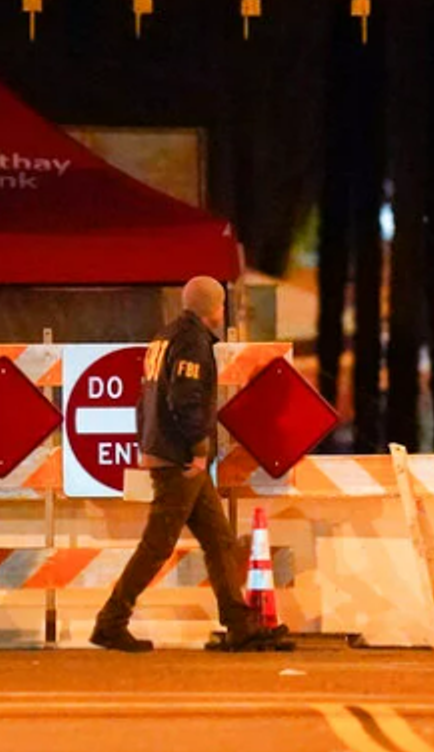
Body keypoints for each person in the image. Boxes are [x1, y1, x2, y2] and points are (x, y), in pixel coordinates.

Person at [91, 275, 291, 653]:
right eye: (219, 305)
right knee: (157, 544)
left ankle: (239, 625)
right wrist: (199, 448)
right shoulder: (192, 342)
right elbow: (186, 398)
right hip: (180, 457)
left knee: (219, 540)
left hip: (166, 449)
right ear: (212, 307)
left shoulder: (165, 337)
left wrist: (146, 443)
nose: (222, 311)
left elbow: (145, 397)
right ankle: (110, 622)